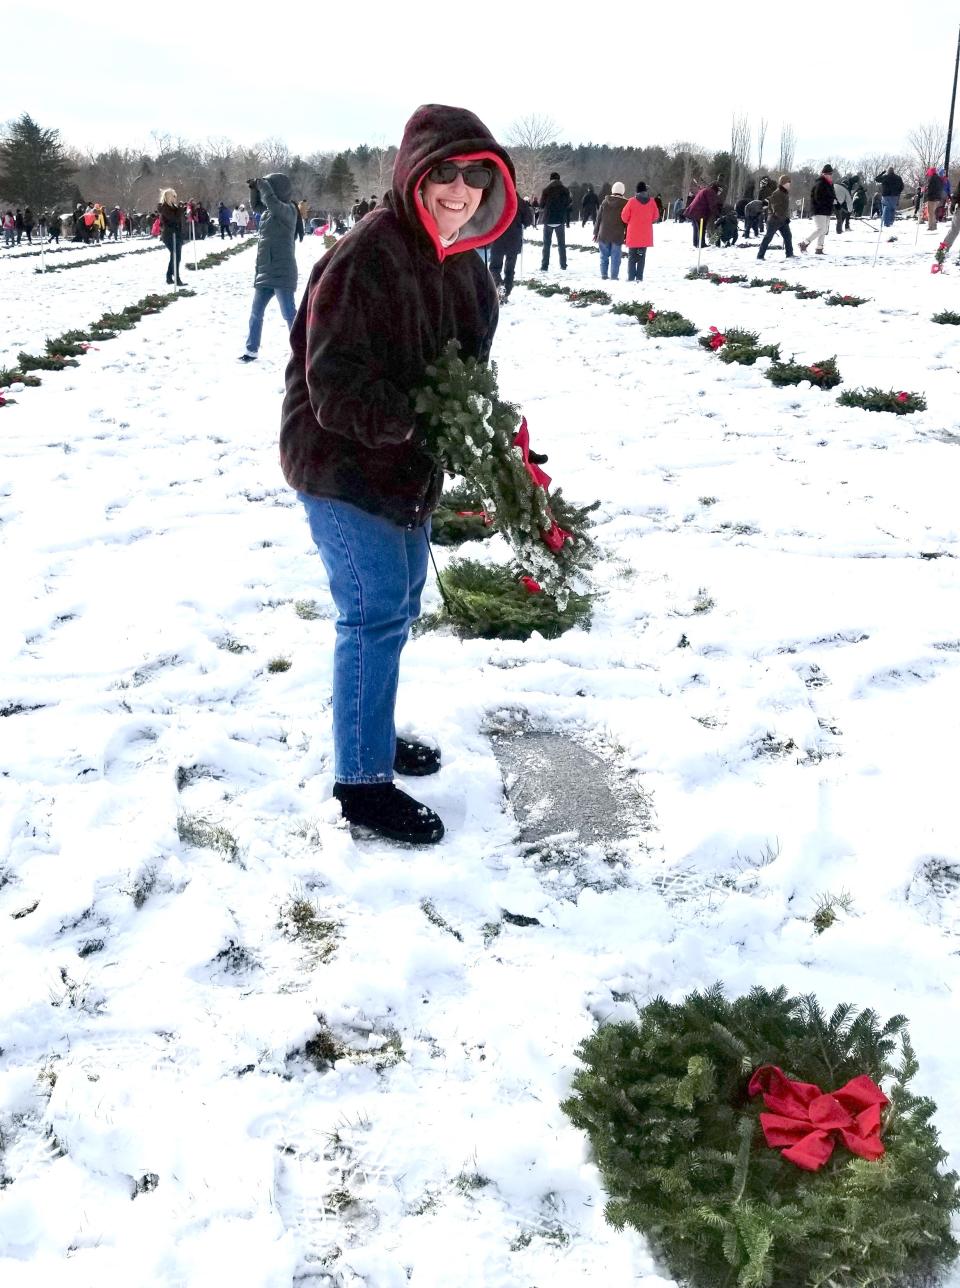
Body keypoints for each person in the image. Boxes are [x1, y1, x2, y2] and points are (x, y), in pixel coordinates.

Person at [279, 103, 517, 846]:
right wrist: (419, 420)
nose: (458, 190)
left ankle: (370, 741)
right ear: (414, 175)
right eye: (443, 173)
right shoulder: (367, 255)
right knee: (374, 611)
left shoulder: (469, 273)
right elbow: (335, 387)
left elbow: (465, 374)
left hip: (407, 472)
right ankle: (361, 785)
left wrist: (469, 427)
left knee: (399, 605)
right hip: (344, 468)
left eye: (475, 177)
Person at [239, 173, 299, 362]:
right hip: (265, 271)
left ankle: (301, 351)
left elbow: (272, 203)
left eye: (272, 187)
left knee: (289, 314)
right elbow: (257, 206)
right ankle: (251, 350)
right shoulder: (268, 212)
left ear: (279, 189)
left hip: (282, 271)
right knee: (256, 313)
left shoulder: (288, 210)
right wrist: (254, 190)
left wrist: (264, 186)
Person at [489, 192, 532, 300]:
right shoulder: (520, 202)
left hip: (498, 237)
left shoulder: (496, 200)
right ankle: (507, 291)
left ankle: (499, 285)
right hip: (514, 239)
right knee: (510, 269)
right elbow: (528, 220)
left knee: (494, 267)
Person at [620, 181, 659, 282]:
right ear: (646, 191)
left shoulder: (632, 201)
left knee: (632, 257)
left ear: (636, 191)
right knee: (642, 256)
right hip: (646, 234)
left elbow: (624, 217)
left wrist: (631, 221)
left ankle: (631, 277)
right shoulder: (652, 201)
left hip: (633, 233)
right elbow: (656, 216)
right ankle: (639, 277)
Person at [593, 181, 628, 280]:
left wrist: (595, 233)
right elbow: (627, 221)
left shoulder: (605, 202)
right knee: (616, 257)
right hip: (617, 234)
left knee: (603, 256)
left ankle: (604, 275)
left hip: (603, 233)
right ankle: (614, 276)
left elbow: (598, 219)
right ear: (622, 191)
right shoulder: (626, 203)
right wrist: (627, 235)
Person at [756, 175, 794, 260]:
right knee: (768, 237)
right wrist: (782, 217)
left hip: (782, 219)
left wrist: (786, 217)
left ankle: (789, 254)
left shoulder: (784, 193)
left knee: (788, 236)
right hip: (774, 220)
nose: (789, 184)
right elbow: (776, 207)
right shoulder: (777, 193)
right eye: (788, 182)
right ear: (783, 183)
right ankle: (760, 255)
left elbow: (784, 208)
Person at [799, 165, 834, 254]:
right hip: (819, 210)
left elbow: (832, 196)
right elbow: (818, 198)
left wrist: (836, 203)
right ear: (823, 174)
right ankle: (804, 243)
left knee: (825, 230)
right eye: (827, 174)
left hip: (826, 210)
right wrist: (829, 202)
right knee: (821, 229)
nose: (829, 175)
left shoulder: (830, 184)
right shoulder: (820, 184)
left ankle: (819, 248)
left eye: (830, 174)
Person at [540, 170, 571, 270]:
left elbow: (541, 205)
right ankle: (563, 264)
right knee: (561, 244)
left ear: (550, 179)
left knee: (546, 245)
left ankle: (545, 265)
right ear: (559, 179)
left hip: (548, 220)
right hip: (560, 220)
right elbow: (568, 203)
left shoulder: (546, 190)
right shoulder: (565, 190)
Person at [158, 188, 186, 285]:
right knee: (176, 256)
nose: (176, 198)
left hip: (176, 234)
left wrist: (182, 209)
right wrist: (180, 209)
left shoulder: (173, 206)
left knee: (175, 256)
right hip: (170, 235)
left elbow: (178, 217)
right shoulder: (165, 208)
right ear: (169, 197)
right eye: (174, 196)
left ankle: (169, 277)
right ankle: (176, 278)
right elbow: (174, 219)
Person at [684, 181, 722, 247]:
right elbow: (712, 205)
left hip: (693, 211)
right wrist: (718, 215)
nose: (720, 192)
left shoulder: (706, 190)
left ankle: (696, 243)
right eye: (720, 190)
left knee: (696, 229)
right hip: (699, 213)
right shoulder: (711, 192)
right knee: (701, 229)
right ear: (717, 188)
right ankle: (701, 244)